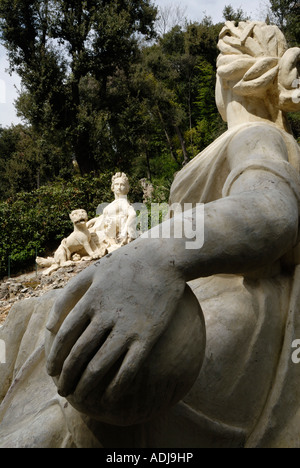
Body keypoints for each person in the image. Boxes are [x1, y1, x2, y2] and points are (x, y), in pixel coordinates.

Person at [0, 21, 300, 448]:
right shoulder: (255, 138)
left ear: (226, 81)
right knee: (28, 316)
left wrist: (159, 256)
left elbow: (271, 210)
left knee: (57, 393)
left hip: (217, 308)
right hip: (203, 298)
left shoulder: (253, 135)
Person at [87, 172, 137, 250]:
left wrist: (124, 231)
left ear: (127, 188)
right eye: (117, 184)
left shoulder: (123, 202)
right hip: (101, 229)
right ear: (112, 187)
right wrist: (90, 222)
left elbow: (133, 214)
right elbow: (104, 217)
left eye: (122, 185)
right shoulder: (114, 203)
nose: (119, 187)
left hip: (109, 233)